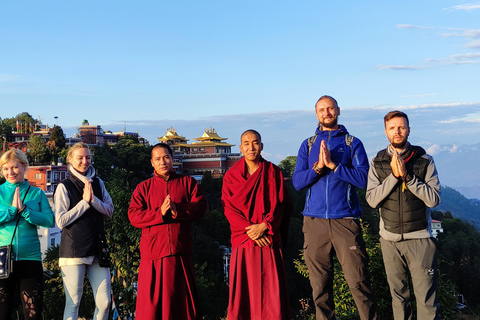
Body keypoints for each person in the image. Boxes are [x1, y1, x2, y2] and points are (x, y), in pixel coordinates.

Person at [292, 95, 377, 320]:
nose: (326, 113)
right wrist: (319, 168)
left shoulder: (352, 143)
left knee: (359, 283)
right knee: (319, 287)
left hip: (346, 221)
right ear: (316, 113)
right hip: (314, 222)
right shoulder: (307, 144)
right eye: (322, 110)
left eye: (330, 108)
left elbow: (364, 180)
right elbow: (298, 182)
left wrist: (334, 166)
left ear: (338, 110)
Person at [366, 110, 441, 319]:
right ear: (386, 132)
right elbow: (372, 200)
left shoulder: (425, 160)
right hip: (390, 241)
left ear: (408, 130)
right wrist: (393, 176)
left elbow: (433, 199)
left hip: (420, 239)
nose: (397, 131)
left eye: (401, 127)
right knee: (398, 299)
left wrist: (407, 177)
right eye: (392, 128)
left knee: (427, 300)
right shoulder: (378, 162)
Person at [128, 143, 206, 320]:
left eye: (166, 157)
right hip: (153, 254)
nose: (162, 162)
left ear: (172, 159)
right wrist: (159, 213)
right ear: (152, 163)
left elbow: (200, 207)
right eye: (157, 159)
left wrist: (177, 209)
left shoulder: (187, 183)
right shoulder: (143, 188)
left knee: (181, 305)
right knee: (151, 309)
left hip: (180, 252)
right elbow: (134, 216)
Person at [222, 129, 291, 320]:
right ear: (240, 147)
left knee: (271, 294)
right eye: (247, 143)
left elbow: (280, 205)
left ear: (261, 146)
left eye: (255, 142)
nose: (251, 147)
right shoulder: (231, 176)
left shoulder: (273, 172)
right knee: (245, 295)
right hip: (244, 242)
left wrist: (265, 226)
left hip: (268, 239)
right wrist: (252, 232)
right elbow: (229, 208)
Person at [54, 142, 113, 320]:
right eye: (80, 158)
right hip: (73, 250)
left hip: (97, 249)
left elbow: (109, 211)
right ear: (71, 160)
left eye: (87, 157)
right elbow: (60, 221)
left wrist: (93, 201)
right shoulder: (64, 186)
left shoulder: (98, 182)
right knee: (73, 303)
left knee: (105, 303)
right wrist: (84, 203)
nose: (84, 161)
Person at [0, 149, 54, 319]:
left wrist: (25, 211)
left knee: (32, 311)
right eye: (5, 169)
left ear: (24, 166)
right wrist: (11, 211)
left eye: (15, 167)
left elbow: (49, 220)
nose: (10, 172)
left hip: (30, 258)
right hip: (2, 257)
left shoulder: (36, 193)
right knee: (3, 310)